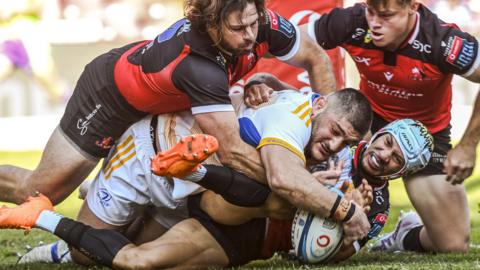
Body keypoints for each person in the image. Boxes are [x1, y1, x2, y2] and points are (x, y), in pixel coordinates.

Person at [0, 0, 336, 206]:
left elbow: (317, 60)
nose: (250, 36)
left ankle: (112, 189)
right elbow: (235, 153)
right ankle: (107, 184)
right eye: (238, 28)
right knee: (41, 192)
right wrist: (302, 184)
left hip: (163, 101)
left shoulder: (264, 24)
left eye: (253, 22)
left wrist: (332, 140)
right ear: (211, 26)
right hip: (108, 97)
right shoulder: (199, 65)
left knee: (198, 163)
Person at [5, 118, 433, 269]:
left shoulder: (376, 207)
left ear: (403, 172)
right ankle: (192, 169)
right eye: (388, 142)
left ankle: (43, 219)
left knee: (138, 258)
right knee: (280, 194)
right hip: (233, 198)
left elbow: (326, 254)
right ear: (379, 135)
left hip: (249, 239)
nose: (384, 155)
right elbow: (277, 139)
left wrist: (351, 228)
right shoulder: (333, 137)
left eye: (397, 158)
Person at [299, 0, 480, 253]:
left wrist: (468, 146)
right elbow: (288, 39)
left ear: (413, 7)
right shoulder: (353, 21)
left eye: (386, 15)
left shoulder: (443, 40)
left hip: (425, 137)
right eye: (371, 12)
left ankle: (405, 235)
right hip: (368, 123)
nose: (374, 23)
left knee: (453, 244)